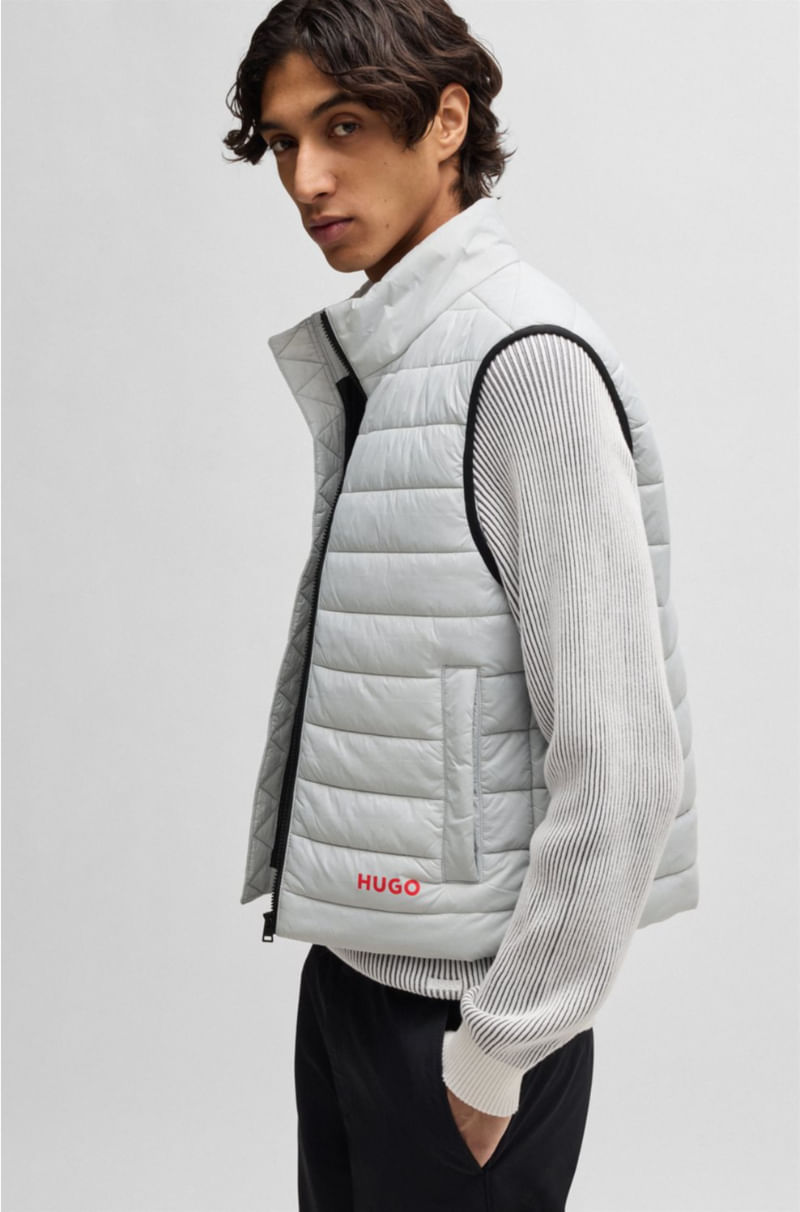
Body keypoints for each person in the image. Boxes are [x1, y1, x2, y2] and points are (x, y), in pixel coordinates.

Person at [223, 2, 699, 1208]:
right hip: (352, 979)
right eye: (282, 142)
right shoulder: (399, 356)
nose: (306, 179)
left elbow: (624, 761)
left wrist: (499, 1046)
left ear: (445, 121)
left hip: (461, 1020)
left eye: (341, 126)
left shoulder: (519, 359)